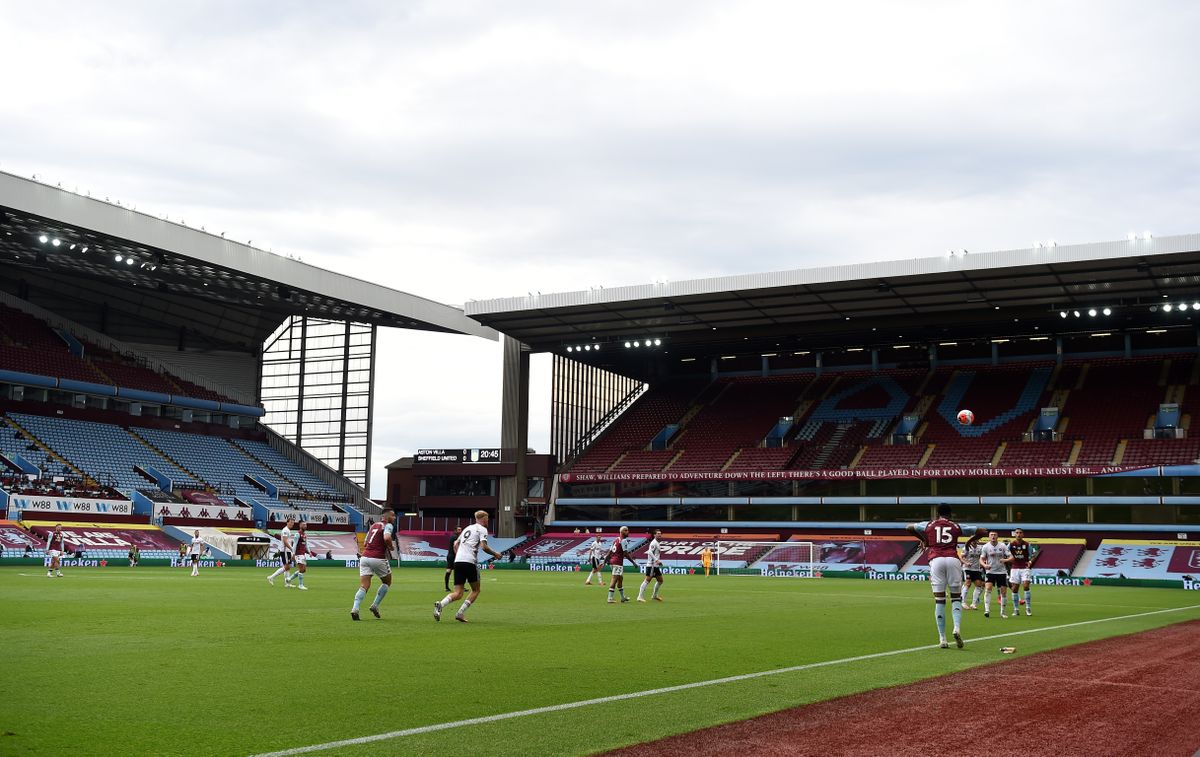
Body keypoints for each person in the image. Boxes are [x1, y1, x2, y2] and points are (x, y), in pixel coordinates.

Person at [906, 504, 985, 649]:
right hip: (953, 559)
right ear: (951, 514)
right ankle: (956, 628)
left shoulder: (928, 524)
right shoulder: (956, 526)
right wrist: (968, 540)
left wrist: (923, 539)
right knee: (956, 597)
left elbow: (908, 527)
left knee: (940, 601)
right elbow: (983, 531)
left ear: (937, 513)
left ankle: (942, 638)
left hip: (936, 560)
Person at [434, 510, 503, 623]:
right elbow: (484, 547)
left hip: (458, 561)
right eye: (487, 518)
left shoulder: (467, 528)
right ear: (484, 519)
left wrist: (458, 555)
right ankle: (460, 613)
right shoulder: (482, 529)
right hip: (470, 561)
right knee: (476, 590)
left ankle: (440, 604)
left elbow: (455, 543)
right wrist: (495, 554)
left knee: (458, 593)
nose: (488, 521)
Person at [352, 510, 396, 620]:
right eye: (393, 515)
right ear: (386, 517)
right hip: (377, 558)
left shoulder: (373, 526)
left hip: (365, 557)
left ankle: (355, 608)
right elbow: (386, 538)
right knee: (387, 582)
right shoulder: (388, 525)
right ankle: (375, 605)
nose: (394, 517)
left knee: (364, 585)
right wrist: (391, 547)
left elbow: (366, 543)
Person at [979, 531, 1012, 618]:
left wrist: (1005, 560)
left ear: (997, 536)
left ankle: (1003, 612)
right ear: (989, 537)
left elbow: (1011, 557)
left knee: (1003, 592)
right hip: (990, 571)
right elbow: (981, 559)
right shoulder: (985, 546)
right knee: (988, 588)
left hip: (1001, 571)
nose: (993, 536)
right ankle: (987, 610)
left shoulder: (1002, 546)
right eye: (991, 535)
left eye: (995, 535)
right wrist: (985, 565)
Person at [606, 526, 640, 604]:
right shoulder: (623, 540)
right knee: (614, 579)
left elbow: (610, 552)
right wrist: (633, 563)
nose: (627, 532)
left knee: (620, 579)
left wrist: (605, 561)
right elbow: (625, 554)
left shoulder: (616, 540)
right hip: (617, 562)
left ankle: (623, 597)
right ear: (621, 532)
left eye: (628, 530)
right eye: (625, 530)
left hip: (613, 562)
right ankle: (610, 598)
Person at [1007, 528, 1036, 616]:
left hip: (1025, 568)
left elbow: (1033, 554)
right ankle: (1016, 609)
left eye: (1020, 533)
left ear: (1023, 534)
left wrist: (1030, 561)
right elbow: (1006, 554)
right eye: (1017, 533)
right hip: (1015, 568)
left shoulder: (1027, 544)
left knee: (1026, 586)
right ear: (1014, 534)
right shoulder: (1010, 544)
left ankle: (1028, 608)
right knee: (1015, 589)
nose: (1018, 534)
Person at [636, 529, 665, 602]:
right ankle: (640, 596)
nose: (659, 535)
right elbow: (649, 552)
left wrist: (657, 561)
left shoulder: (657, 543)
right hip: (651, 565)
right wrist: (656, 560)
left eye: (660, 533)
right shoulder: (653, 543)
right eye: (658, 533)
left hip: (655, 566)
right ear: (654, 535)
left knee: (660, 580)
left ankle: (654, 595)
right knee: (647, 580)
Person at [266, 518, 296, 587]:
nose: (292, 524)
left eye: (293, 523)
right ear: (287, 522)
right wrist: (291, 549)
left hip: (286, 550)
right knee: (287, 566)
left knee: (288, 567)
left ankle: (287, 583)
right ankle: (271, 577)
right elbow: (285, 541)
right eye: (291, 522)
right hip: (285, 550)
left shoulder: (287, 530)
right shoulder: (285, 530)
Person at [960, 539, 985, 609]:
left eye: (975, 539)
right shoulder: (966, 547)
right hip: (967, 568)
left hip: (976, 569)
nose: (974, 541)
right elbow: (961, 557)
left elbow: (982, 557)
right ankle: (963, 602)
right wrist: (966, 563)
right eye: (972, 540)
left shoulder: (980, 548)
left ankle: (973, 604)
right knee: (968, 583)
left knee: (979, 585)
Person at [291, 521, 310, 590]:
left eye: (306, 525)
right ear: (300, 526)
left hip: (303, 554)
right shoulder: (297, 534)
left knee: (303, 570)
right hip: (298, 554)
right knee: (301, 569)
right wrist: (293, 554)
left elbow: (306, 544)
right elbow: (294, 544)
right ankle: (300, 585)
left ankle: (289, 579)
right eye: (303, 525)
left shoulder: (305, 535)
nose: (305, 526)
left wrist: (309, 552)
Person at [443, 526, 462, 592]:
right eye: (459, 530)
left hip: (450, 555)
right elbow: (455, 546)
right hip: (454, 556)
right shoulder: (455, 537)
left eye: (460, 530)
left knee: (449, 571)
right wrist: (458, 555)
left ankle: (446, 587)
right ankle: (460, 587)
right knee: (459, 571)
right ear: (455, 530)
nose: (460, 531)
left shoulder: (452, 536)